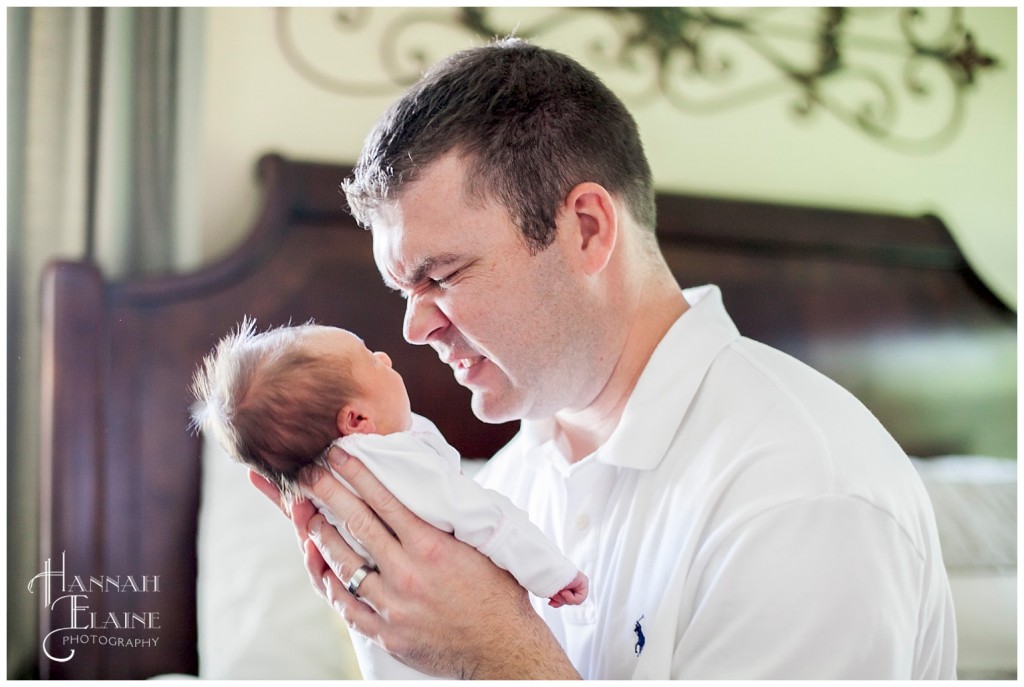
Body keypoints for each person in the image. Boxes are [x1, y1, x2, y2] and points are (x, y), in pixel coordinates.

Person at [251, 38, 957, 679]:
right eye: (404, 288)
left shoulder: (802, 497)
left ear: (586, 229)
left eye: (440, 275)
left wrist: (501, 657)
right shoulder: (505, 488)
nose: (413, 327)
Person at [190, 318, 589, 679]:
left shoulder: (322, 491)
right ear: (357, 420)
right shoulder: (400, 464)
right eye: (371, 360)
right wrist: (551, 574)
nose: (385, 356)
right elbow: (485, 518)